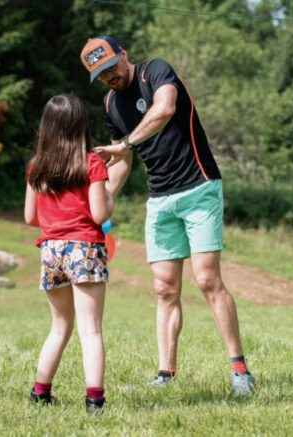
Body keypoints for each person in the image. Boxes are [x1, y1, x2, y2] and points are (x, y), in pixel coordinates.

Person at [80, 36, 255, 396]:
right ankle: (166, 373)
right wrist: (103, 200)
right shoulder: (111, 103)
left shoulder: (155, 71)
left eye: (111, 67)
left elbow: (164, 110)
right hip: (159, 198)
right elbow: (121, 162)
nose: (109, 76)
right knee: (164, 288)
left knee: (207, 279)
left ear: (123, 55)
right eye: (100, 74)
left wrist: (126, 143)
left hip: (198, 186)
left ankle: (240, 371)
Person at [24, 94, 132, 412]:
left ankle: (40, 393)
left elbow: (31, 218)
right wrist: (109, 195)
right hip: (84, 248)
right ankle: (94, 401)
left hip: (51, 251)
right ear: (80, 125)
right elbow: (100, 214)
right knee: (91, 329)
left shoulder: (36, 167)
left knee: (59, 327)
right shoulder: (91, 163)